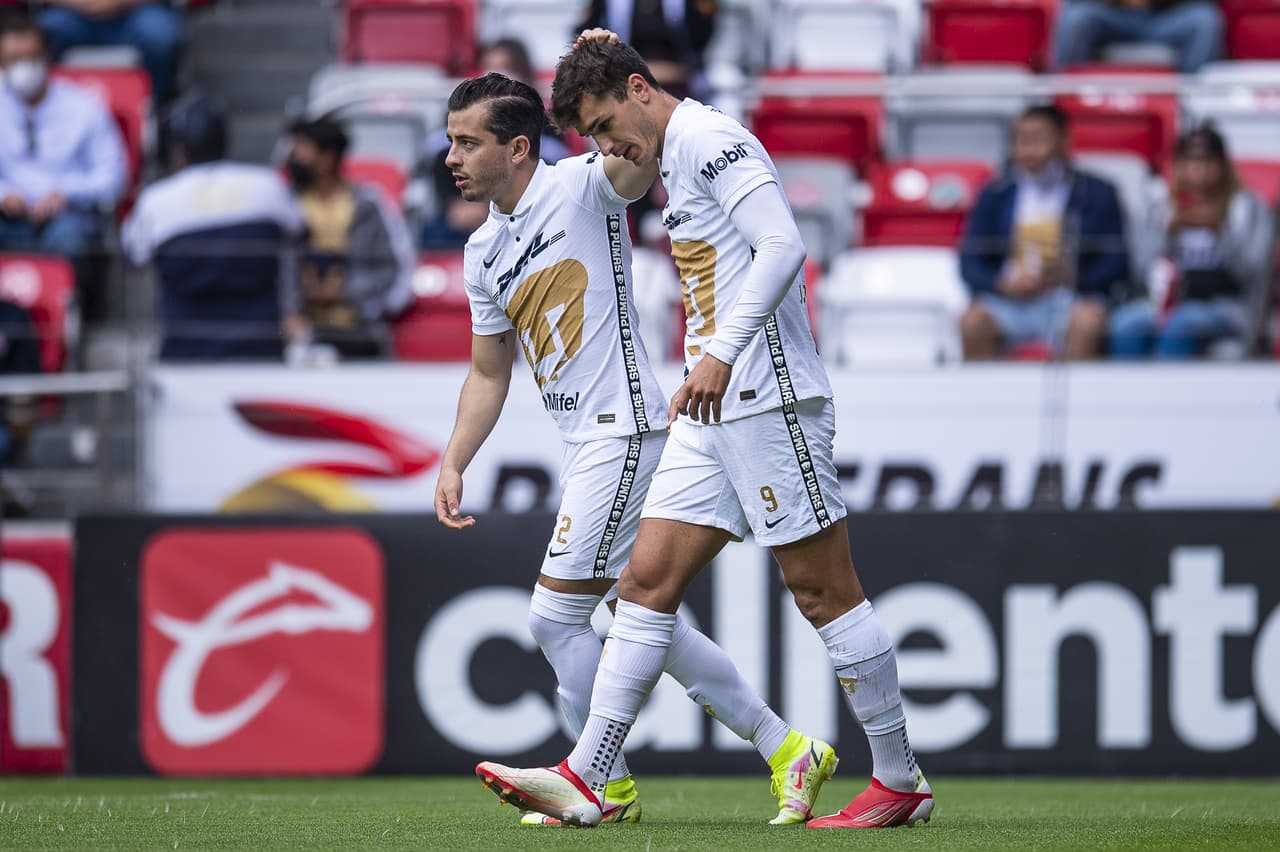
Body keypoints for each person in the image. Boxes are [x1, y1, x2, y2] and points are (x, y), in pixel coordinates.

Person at [475, 35, 932, 830]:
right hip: (711, 402)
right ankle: (589, 775)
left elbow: (784, 244)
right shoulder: (667, 152)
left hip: (767, 394)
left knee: (822, 590)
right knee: (645, 586)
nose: (606, 146)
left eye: (607, 123)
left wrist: (720, 353)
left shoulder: (711, 140)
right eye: (589, 136)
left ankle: (899, 778)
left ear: (641, 90)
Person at [435, 71, 838, 828]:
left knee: (555, 620)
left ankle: (602, 783)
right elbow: (489, 371)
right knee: (644, 615)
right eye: (451, 141)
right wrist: (455, 459)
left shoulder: (585, 185)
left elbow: (645, 140)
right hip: (585, 441)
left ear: (518, 148)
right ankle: (788, 750)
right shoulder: (482, 251)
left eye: (468, 141)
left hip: (626, 432)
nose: (451, 156)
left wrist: (622, 69)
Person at [122, 93, 303, 361]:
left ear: (177, 150)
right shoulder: (269, 185)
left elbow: (133, 255)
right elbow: (300, 233)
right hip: (260, 352)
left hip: (187, 355)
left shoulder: (155, 200)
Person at [959, 105, 1127, 360]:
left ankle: (1080, 398)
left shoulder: (1098, 193)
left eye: (1037, 139)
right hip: (1008, 302)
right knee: (972, 323)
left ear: (1063, 141)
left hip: (1068, 300)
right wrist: (1002, 284)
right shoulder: (994, 194)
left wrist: (1073, 277)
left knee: (1089, 322)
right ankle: (986, 400)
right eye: (1021, 140)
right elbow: (969, 261)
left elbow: (1117, 262)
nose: (1028, 150)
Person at [1110, 126, 1275, 358]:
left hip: (1224, 305)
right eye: (1192, 161)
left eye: (1209, 161)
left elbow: (1254, 275)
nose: (1200, 171)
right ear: (1179, 166)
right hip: (1164, 303)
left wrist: (1219, 233)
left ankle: (1166, 393)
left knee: (1181, 326)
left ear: (1224, 166)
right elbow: (1138, 272)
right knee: (1125, 325)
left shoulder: (1247, 208)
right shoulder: (1158, 206)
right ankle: (1126, 394)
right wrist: (1166, 234)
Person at [0, 15, 125, 292]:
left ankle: (68, 321)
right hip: (8, 217)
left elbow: (114, 178)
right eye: (13, 60)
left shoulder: (84, 107)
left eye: (30, 57)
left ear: (47, 56)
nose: (22, 67)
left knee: (70, 238)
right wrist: (4, 193)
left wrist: (65, 193)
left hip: (69, 216)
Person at [283, 117, 415, 360]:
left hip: (359, 332)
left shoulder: (370, 203)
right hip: (297, 336)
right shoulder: (285, 203)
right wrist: (289, 313)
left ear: (327, 157)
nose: (293, 157)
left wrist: (347, 292)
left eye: (302, 149)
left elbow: (397, 269)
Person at [421, 38, 569, 249]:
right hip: (461, 218)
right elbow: (440, 157)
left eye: (503, 69)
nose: (494, 77)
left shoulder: (546, 123)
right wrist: (452, 203)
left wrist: (490, 208)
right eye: (488, 69)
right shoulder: (460, 114)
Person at [38, 0, 183, 107]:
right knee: (39, 38)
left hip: (136, 13)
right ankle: (42, 110)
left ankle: (155, 111)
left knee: (159, 37)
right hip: (73, 14)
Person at [575, 0, 716, 100]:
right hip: (625, 73)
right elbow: (585, 30)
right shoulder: (606, 4)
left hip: (683, 75)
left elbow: (700, 38)